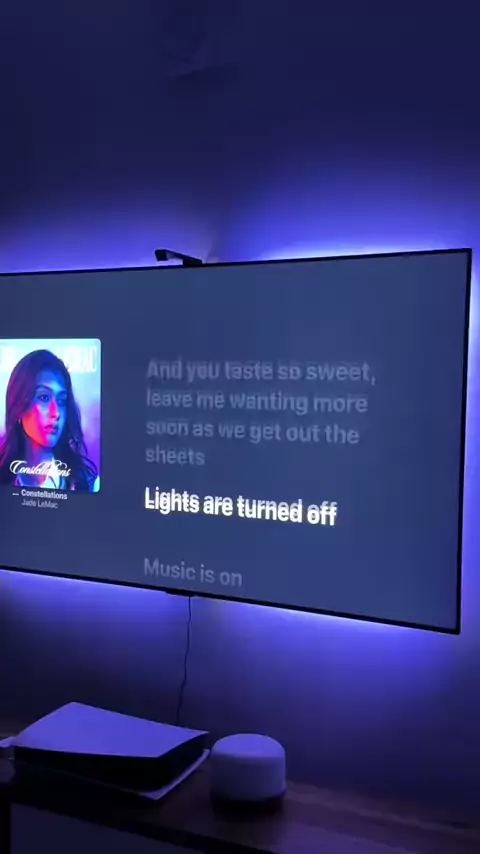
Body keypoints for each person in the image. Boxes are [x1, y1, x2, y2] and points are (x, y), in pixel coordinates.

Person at [0, 349, 98, 491]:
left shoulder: (88, 485)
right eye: (44, 397)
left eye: (61, 401)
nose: (56, 413)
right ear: (19, 405)